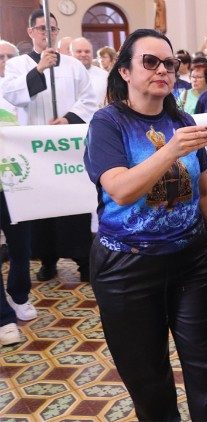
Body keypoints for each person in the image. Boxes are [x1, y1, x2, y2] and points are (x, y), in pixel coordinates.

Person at [83, 28, 207, 420]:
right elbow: (121, 189)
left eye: (170, 63)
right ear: (125, 70)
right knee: (147, 376)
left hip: (190, 259)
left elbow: (204, 191)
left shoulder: (183, 118)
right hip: (127, 266)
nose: (163, 69)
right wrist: (171, 148)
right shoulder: (108, 123)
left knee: (205, 362)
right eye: (150, 61)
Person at [3, 10, 97, 283]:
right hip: (35, 151)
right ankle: (47, 259)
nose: (48, 33)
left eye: (53, 29)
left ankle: (83, 260)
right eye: (43, 28)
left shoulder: (73, 65)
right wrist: (40, 69)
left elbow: (89, 99)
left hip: (66, 147)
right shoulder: (18, 65)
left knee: (73, 204)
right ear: (31, 31)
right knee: (41, 205)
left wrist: (68, 118)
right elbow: (13, 95)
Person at [0, 39, 28, 346]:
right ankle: (3, 319)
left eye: (9, 57)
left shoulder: (18, 99)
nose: (4, 61)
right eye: (0, 56)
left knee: (22, 248)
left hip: (18, 186)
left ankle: (19, 295)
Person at [71, 37, 108, 108]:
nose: (83, 54)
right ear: (71, 53)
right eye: (79, 51)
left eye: (87, 51)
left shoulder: (104, 76)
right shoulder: (64, 76)